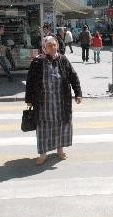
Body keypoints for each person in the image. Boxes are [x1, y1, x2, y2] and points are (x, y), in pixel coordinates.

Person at [25, 36, 83, 166]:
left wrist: (78, 93)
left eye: (55, 45)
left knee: (61, 126)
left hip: (61, 102)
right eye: (50, 45)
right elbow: (30, 81)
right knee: (43, 128)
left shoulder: (62, 59)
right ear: (44, 47)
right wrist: (29, 99)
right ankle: (43, 154)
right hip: (44, 103)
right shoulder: (37, 62)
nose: (53, 47)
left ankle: (60, 150)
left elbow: (73, 76)